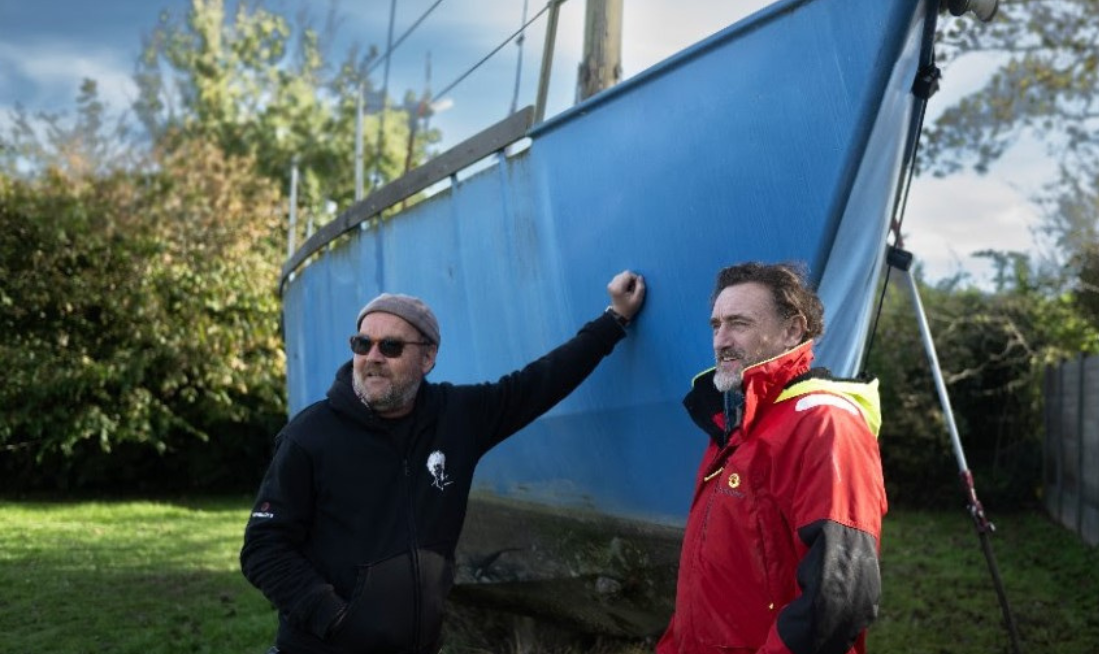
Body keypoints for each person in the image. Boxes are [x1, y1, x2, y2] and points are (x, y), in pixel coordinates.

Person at [241, 270, 646, 654]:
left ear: (428, 357)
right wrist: (331, 616)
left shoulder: (458, 417)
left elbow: (540, 382)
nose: (373, 356)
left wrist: (614, 319)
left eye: (391, 346)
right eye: (363, 344)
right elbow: (263, 548)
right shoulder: (309, 435)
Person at [656, 262, 886, 654]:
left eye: (739, 323)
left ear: (792, 330)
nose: (721, 341)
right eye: (716, 325)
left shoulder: (825, 423)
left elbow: (839, 598)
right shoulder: (734, 426)